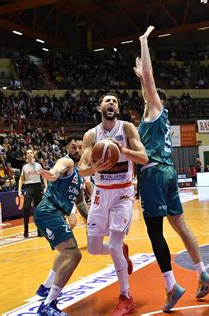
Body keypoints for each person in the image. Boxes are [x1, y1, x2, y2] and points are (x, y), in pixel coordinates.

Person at [133, 25, 209, 312]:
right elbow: (147, 86)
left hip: (154, 173)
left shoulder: (155, 108)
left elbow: (151, 85)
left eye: (149, 94)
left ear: (157, 99)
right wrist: (142, 77)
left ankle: (172, 286)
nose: (145, 95)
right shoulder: (157, 116)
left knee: (156, 230)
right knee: (180, 224)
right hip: (166, 172)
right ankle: (202, 271)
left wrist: (144, 42)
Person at [79, 92, 148, 316]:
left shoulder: (127, 129)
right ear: (100, 107)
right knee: (94, 248)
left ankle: (126, 296)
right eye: (107, 100)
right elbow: (81, 169)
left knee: (115, 245)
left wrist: (121, 150)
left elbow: (144, 158)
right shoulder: (91, 135)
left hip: (123, 194)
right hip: (101, 193)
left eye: (114, 101)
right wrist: (95, 169)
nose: (111, 103)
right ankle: (123, 254)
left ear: (117, 109)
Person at [34, 135, 88, 316]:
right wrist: (53, 174)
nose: (77, 151)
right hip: (48, 211)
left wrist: (91, 222)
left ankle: (45, 287)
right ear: (67, 148)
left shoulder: (80, 176)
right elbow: (58, 169)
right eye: (74, 147)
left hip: (55, 213)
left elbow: (80, 204)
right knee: (74, 255)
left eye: (80, 147)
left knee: (64, 253)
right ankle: (48, 305)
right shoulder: (66, 161)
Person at [18, 149, 46, 238]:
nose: (29, 154)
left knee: (38, 209)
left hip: (37, 186)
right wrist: (19, 189)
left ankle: (39, 230)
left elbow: (44, 176)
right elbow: (21, 179)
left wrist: (46, 187)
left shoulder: (38, 165)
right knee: (26, 208)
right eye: (27, 153)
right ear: (26, 156)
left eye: (30, 152)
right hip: (28, 187)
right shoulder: (24, 167)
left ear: (33, 154)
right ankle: (26, 230)